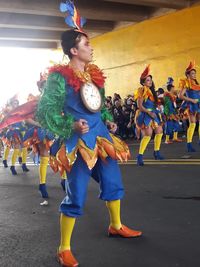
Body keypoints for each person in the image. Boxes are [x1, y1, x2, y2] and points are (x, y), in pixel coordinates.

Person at [37, 1, 142, 266]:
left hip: (102, 138)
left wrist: (109, 121)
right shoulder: (58, 78)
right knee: (77, 195)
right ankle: (64, 248)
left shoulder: (94, 75)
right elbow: (46, 112)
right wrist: (69, 126)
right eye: (86, 44)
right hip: (78, 143)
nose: (91, 47)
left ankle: (116, 225)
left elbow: (100, 105)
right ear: (74, 50)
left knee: (113, 183)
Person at [135, 65, 164, 166]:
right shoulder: (141, 90)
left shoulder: (152, 91)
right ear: (143, 82)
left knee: (159, 131)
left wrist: (158, 107)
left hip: (154, 113)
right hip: (146, 115)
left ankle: (157, 152)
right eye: (147, 80)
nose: (150, 81)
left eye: (150, 80)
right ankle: (139, 156)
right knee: (148, 135)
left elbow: (153, 103)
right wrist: (149, 112)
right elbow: (140, 106)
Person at [179, 61, 200, 152]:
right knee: (192, 124)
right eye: (192, 73)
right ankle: (189, 144)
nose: (194, 75)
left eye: (195, 73)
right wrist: (192, 100)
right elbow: (180, 95)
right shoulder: (187, 83)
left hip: (198, 104)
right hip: (192, 105)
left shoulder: (196, 83)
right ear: (188, 75)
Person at [164, 77, 182, 144]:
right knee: (169, 126)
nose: (174, 89)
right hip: (169, 113)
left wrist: (176, 112)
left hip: (174, 112)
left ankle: (175, 137)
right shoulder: (166, 96)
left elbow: (174, 105)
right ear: (171, 89)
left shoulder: (173, 96)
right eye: (173, 88)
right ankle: (167, 140)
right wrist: (168, 114)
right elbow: (167, 106)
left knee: (176, 125)